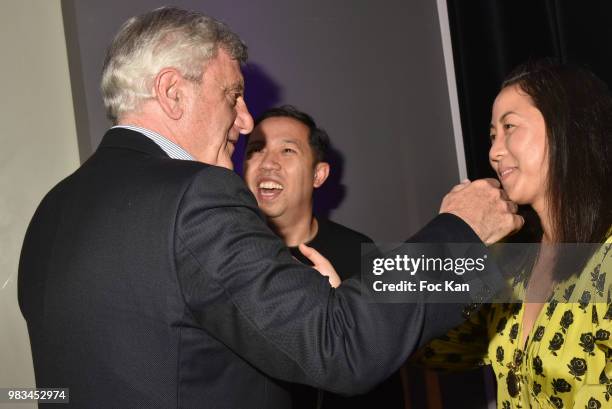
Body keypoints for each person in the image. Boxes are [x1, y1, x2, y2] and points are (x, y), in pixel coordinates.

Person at [17, 7, 522, 409]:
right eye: (233, 95)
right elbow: (336, 345)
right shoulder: (195, 196)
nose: (244, 120)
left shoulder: (52, 211)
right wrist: (460, 231)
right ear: (173, 93)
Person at [413, 60, 611, 408]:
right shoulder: (513, 261)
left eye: (510, 128)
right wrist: (448, 242)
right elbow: (437, 351)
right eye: (492, 135)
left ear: (566, 129)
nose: (494, 152)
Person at [243, 105, 404, 408]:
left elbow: (385, 370)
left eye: (287, 151)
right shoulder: (230, 254)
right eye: (255, 150)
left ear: (319, 174)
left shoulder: (358, 252)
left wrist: (345, 313)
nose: (267, 163)